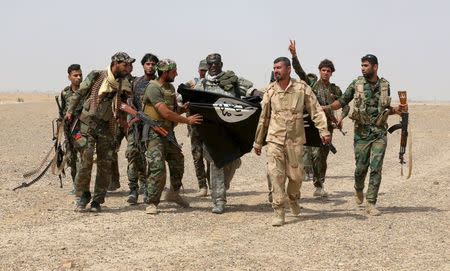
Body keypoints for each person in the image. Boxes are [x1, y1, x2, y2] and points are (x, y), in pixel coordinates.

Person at [253, 57, 331, 226]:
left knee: (296, 177)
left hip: (295, 141)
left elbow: (315, 111)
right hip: (274, 139)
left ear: (288, 69)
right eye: (274, 68)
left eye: (279, 67)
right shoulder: (270, 91)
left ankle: (293, 198)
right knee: (275, 175)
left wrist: (323, 130)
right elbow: (263, 118)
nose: (276, 71)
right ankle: (279, 210)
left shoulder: (302, 88)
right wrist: (258, 142)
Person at [325, 54, 406, 216]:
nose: (363, 68)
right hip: (361, 134)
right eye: (362, 65)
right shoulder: (357, 84)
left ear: (375, 67)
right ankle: (358, 188)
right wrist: (325, 108)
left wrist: (396, 110)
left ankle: (371, 202)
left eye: (366, 65)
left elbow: (384, 108)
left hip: (379, 133)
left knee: (376, 167)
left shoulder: (385, 85)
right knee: (361, 168)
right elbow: (342, 101)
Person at [65, 52, 135, 212]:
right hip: (87, 124)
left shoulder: (123, 82)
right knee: (86, 161)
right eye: (125, 64)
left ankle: (97, 200)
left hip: (107, 126)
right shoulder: (97, 76)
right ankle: (83, 195)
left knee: (105, 164)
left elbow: (124, 103)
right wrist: (69, 111)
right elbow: (80, 93)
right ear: (116, 63)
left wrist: (125, 119)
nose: (128, 68)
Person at [192, 53, 253, 214]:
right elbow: (191, 99)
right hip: (211, 132)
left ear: (221, 64)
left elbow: (250, 90)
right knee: (216, 163)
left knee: (233, 161)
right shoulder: (202, 84)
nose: (212, 66)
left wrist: (258, 96)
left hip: (230, 130)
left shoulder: (232, 80)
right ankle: (219, 200)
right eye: (210, 64)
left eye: (216, 64)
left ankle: (221, 186)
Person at [289, 40, 349, 197]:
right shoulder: (311, 85)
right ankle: (300, 184)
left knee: (322, 156)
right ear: (319, 71)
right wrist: (294, 55)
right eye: (323, 70)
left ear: (331, 73)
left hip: (327, 126)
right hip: (310, 124)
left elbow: (346, 105)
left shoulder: (335, 89)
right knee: (307, 153)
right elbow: (300, 72)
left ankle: (319, 184)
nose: (325, 73)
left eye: (328, 70)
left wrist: (341, 118)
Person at [143, 59, 203, 215]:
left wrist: (183, 109)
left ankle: (173, 194)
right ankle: (152, 202)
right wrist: (187, 120)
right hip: (154, 133)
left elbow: (173, 110)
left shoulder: (170, 87)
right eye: (174, 71)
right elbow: (165, 113)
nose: (177, 73)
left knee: (178, 161)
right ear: (165, 72)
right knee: (157, 167)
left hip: (168, 133)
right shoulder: (153, 88)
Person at [126, 53, 159, 204]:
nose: (150, 66)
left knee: (151, 159)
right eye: (148, 63)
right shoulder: (135, 82)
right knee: (133, 155)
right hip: (136, 124)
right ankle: (133, 189)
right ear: (143, 65)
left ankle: (146, 189)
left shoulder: (159, 83)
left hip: (153, 126)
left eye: (153, 64)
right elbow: (127, 102)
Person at [109, 62, 134, 192]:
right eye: (127, 65)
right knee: (111, 150)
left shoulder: (134, 81)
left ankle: (139, 182)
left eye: (130, 65)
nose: (129, 67)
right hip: (116, 121)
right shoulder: (113, 81)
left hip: (130, 121)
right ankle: (114, 181)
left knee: (135, 151)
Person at [186, 59, 210, 197]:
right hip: (195, 127)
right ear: (198, 71)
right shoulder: (192, 83)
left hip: (209, 127)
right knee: (197, 156)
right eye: (202, 70)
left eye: (206, 71)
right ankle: (202, 186)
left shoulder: (213, 85)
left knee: (211, 156)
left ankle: (212, 184)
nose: (204, 73)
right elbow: (179, 98)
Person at [60, 64, 83, 194]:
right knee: (71, 159)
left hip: (82, 131)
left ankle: (81, 187)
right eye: (75, 75)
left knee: (82, 159)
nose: (78, 77)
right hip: (70, 131)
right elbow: (62, 111)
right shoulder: (65, 93)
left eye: (80, 75)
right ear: (69, 77)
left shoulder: (85, 91)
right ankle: (76, 185)